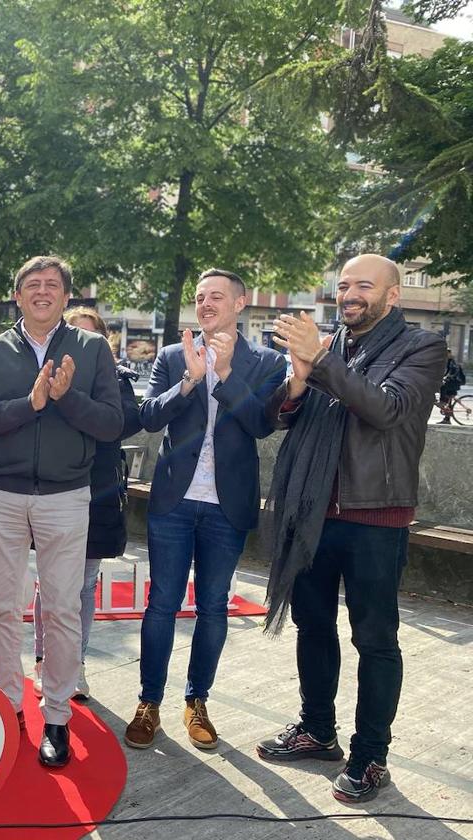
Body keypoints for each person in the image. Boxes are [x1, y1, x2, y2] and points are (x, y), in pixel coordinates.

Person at [257, 254, 446, 804]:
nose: (350, 294)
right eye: (343, 285)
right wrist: (294, 384)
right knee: (313, 628)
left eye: (364, 285)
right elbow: (280, 418)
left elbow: (384, 410)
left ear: (392, 296)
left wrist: (317, 359)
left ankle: (370, 757)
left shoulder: (422, 347)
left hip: (375, 516)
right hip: (312, 511)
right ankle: (317, 730)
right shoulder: (331, 345)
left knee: (375, 641)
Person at [0, 255, 124, 768]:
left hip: (66, 495)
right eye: (31, 284)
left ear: (66, 296)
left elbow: (111, 425)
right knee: (3, 607)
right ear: (17, 295)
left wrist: (65, 397)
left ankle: (56, 713)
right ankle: (9, 705)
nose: (41, 291)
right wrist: (30, 405)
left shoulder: (93, 348)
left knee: (60, 608)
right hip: (3, 494)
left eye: (51, 284)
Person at [124, 268, 286, 753]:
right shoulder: (174, 356)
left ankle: (197, 701)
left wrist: (225, 376)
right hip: (174, 501)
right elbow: (149, 416)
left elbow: (262, 424)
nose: (207, 304)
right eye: (200, 297)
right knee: (161, 605)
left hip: (227, 505)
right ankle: (149, 702)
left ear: (240, 303)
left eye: (217, 296)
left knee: (213, 606)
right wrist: (190, 382)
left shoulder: (266, 362)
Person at [32, 306, 143, 701]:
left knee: (83, 584)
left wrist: (79, 398)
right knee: (50, 582)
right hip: (55, 487)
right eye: (73, 337)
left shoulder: (117, 380)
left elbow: (127, 423)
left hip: (98, 492)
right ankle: (45, 659)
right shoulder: (42, 375)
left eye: (90, 338)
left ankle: (74, 664)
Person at [438, 349, 465, 423]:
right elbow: (446, 372)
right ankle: (447, 419)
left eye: (447, 353)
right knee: (449, 399)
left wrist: (447, 377)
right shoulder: (448, 361)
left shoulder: (453, 362)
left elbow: (454, 372)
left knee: (442, 387)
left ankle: (442, 402)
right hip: (452, 382)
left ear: (449, 353)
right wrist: (443, 377)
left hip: (454, 382)